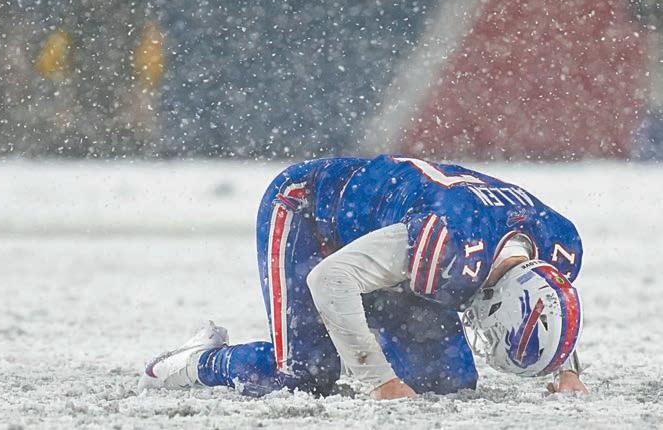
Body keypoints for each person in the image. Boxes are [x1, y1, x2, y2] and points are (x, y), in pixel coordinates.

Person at [139, 155, 587, 399]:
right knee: (303, 375)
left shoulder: (557, 245)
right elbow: (330, 279)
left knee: (445, 384)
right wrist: (380, 381)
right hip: (312, 214)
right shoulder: (449, 243)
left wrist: (565, 367)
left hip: (403, 236)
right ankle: (196, 361)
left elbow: (548, 293)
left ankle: (363, 343)